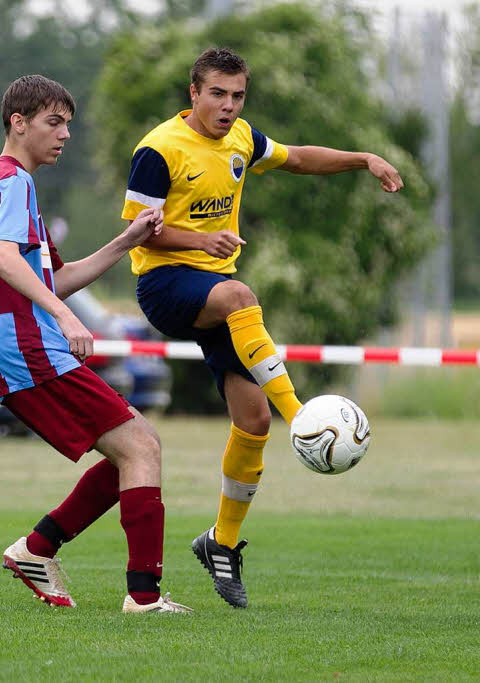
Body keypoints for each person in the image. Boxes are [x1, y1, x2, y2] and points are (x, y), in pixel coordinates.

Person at [120, 48, 404, 608]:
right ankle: (304, 417)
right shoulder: (159, 148)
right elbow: (136, 229)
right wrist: (202, 241)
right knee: (240, 294)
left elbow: (297, 158)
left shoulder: (241, 138)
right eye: (218, 94)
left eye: (237, 95)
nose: (228, 106)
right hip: (166, 284)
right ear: (193, 92)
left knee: (252, 422)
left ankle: (220, 543)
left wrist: (363, 158)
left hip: (218, 297)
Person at [0, 75, 189, 615]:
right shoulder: (9, 181)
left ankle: (37, 549)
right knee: (141, 446)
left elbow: (58, 276)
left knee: (133, 452)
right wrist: (62, 316)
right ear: (18, 122)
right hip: (25, 344)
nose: (65, 135)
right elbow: (1, 258)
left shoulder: (18, 185)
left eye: (68, 124)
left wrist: (127, 240)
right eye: (54, 123)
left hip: (21, 344)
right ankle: (142, 597)